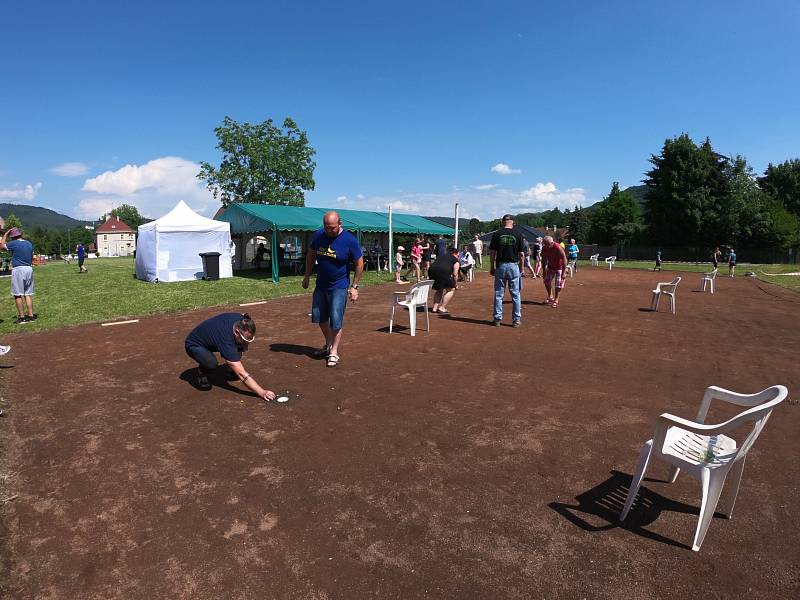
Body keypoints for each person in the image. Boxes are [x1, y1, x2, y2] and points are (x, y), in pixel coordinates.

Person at [302, 211, 364, 368]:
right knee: (320, 318)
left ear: (340, 223)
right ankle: (328, 345)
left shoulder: (349, 240)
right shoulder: (318, 235)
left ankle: (334, 351)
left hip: (339, 285)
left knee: (335, 319)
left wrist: (354, 286)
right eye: (326, 227)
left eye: (332, 228)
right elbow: (311, 255)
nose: (329, 231)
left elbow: (359, 263)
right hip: (321, 285)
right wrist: (307, 276)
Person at [185, 312, 275, 400]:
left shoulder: (242, 320)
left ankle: (230, 370)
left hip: (212, 339)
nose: (246, 344)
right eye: (244, 339)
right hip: (195, 345)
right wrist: (262, 392)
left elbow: (243, 314)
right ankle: (201, 372)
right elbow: (242, 374)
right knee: (211, 363)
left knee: (240, 345)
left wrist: (243, 343)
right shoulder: (226, 339)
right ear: (236, 332)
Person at [489, 214, 524, 327]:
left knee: (499, 294)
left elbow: (493, 252)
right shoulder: (518, 234)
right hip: (513, 266)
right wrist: (521, 268)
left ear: (503, 221)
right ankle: (516, 320)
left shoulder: (497, 234)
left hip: (501, 265)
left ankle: (497, 319)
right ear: (512, 221)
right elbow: (521, 254)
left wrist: (492, 266)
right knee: (516, 294)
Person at [0, 228, 37, 325]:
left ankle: (22, 317)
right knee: (27, 294)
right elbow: (32, 256)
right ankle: (31, 316)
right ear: (21, 234)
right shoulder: (29, 243)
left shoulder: (13, 243)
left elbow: (1, 246)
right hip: (28, 268)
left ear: (12, 236)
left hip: (19, 269)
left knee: (17, 294)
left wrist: (5, 234)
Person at [430, 246, 461, 314]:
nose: (458, 257)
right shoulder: (455, 260)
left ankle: (434, 308)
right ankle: (442, 308)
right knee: (451, 289)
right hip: (443, 271)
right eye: (458, 255)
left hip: (432, 270)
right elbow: (455, 274)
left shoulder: (442, 256)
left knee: (440, 289)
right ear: (455, 253)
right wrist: (455, 285)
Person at [542, 235, 568, 308]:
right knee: (546, 281)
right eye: (545, 244)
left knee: (558, 283)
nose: (547, 246)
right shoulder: (544, 248)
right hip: (551, 267)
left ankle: (556, 300)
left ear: (552, 242)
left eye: (548, 244)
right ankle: (550, 296)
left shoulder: (557, 247)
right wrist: (544, 271)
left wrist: (564, 272)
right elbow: (543, 260)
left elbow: (564, 258)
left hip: (560, 267)